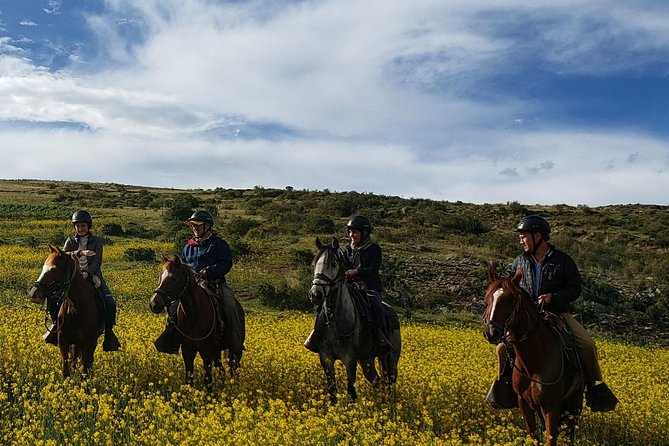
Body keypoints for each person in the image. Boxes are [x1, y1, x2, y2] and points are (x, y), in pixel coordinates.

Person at [488, 215, 618, 412]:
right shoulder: (519, 262)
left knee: (588, 345)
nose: (520, 240)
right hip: (527, 317)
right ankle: (505, 387)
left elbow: (575, 288)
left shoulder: (563, 261)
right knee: (501, 349)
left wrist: (553, 297)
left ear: (538, 236)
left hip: (556, 313)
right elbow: (508, 285)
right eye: (521, 237)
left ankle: (593, 388)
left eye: (524, 236)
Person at [154, 210, 244, 362]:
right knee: (173, 307)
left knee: (229, 305)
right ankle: (172, 340)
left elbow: (226, 263)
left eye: (197, 225)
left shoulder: (218, 244)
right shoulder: (188, 246)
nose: (194, 227)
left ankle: (235, 341)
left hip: (213, 283)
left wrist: (209, 271)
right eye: (192, 225)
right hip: (191, 285)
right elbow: (182, 267)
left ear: (207, 226)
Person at [304, 215, 393, 353]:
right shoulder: (347, 250)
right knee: (323, 306)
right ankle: (317, 335)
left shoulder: (374, 249)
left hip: (369, 288)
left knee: (377, 307)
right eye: (350, 232)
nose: (352, 235)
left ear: (364, 233)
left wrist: (357, 271)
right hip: (350, 286)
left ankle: (381, 339)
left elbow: (373, 269)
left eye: (355, 232)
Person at [46, 210, 121, 351]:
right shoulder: (70, 241)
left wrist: (88, 273)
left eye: (83, 226)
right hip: (71, 278)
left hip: (93, 276)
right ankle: (55, 325)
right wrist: (79, 253)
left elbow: (97, 261)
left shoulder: (97, 241)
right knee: (52, 299)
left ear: (88, 226)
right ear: (74, 227)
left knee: (110, 303)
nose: (80, 229)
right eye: (78, 226)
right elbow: (63, 255)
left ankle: (109, 333)